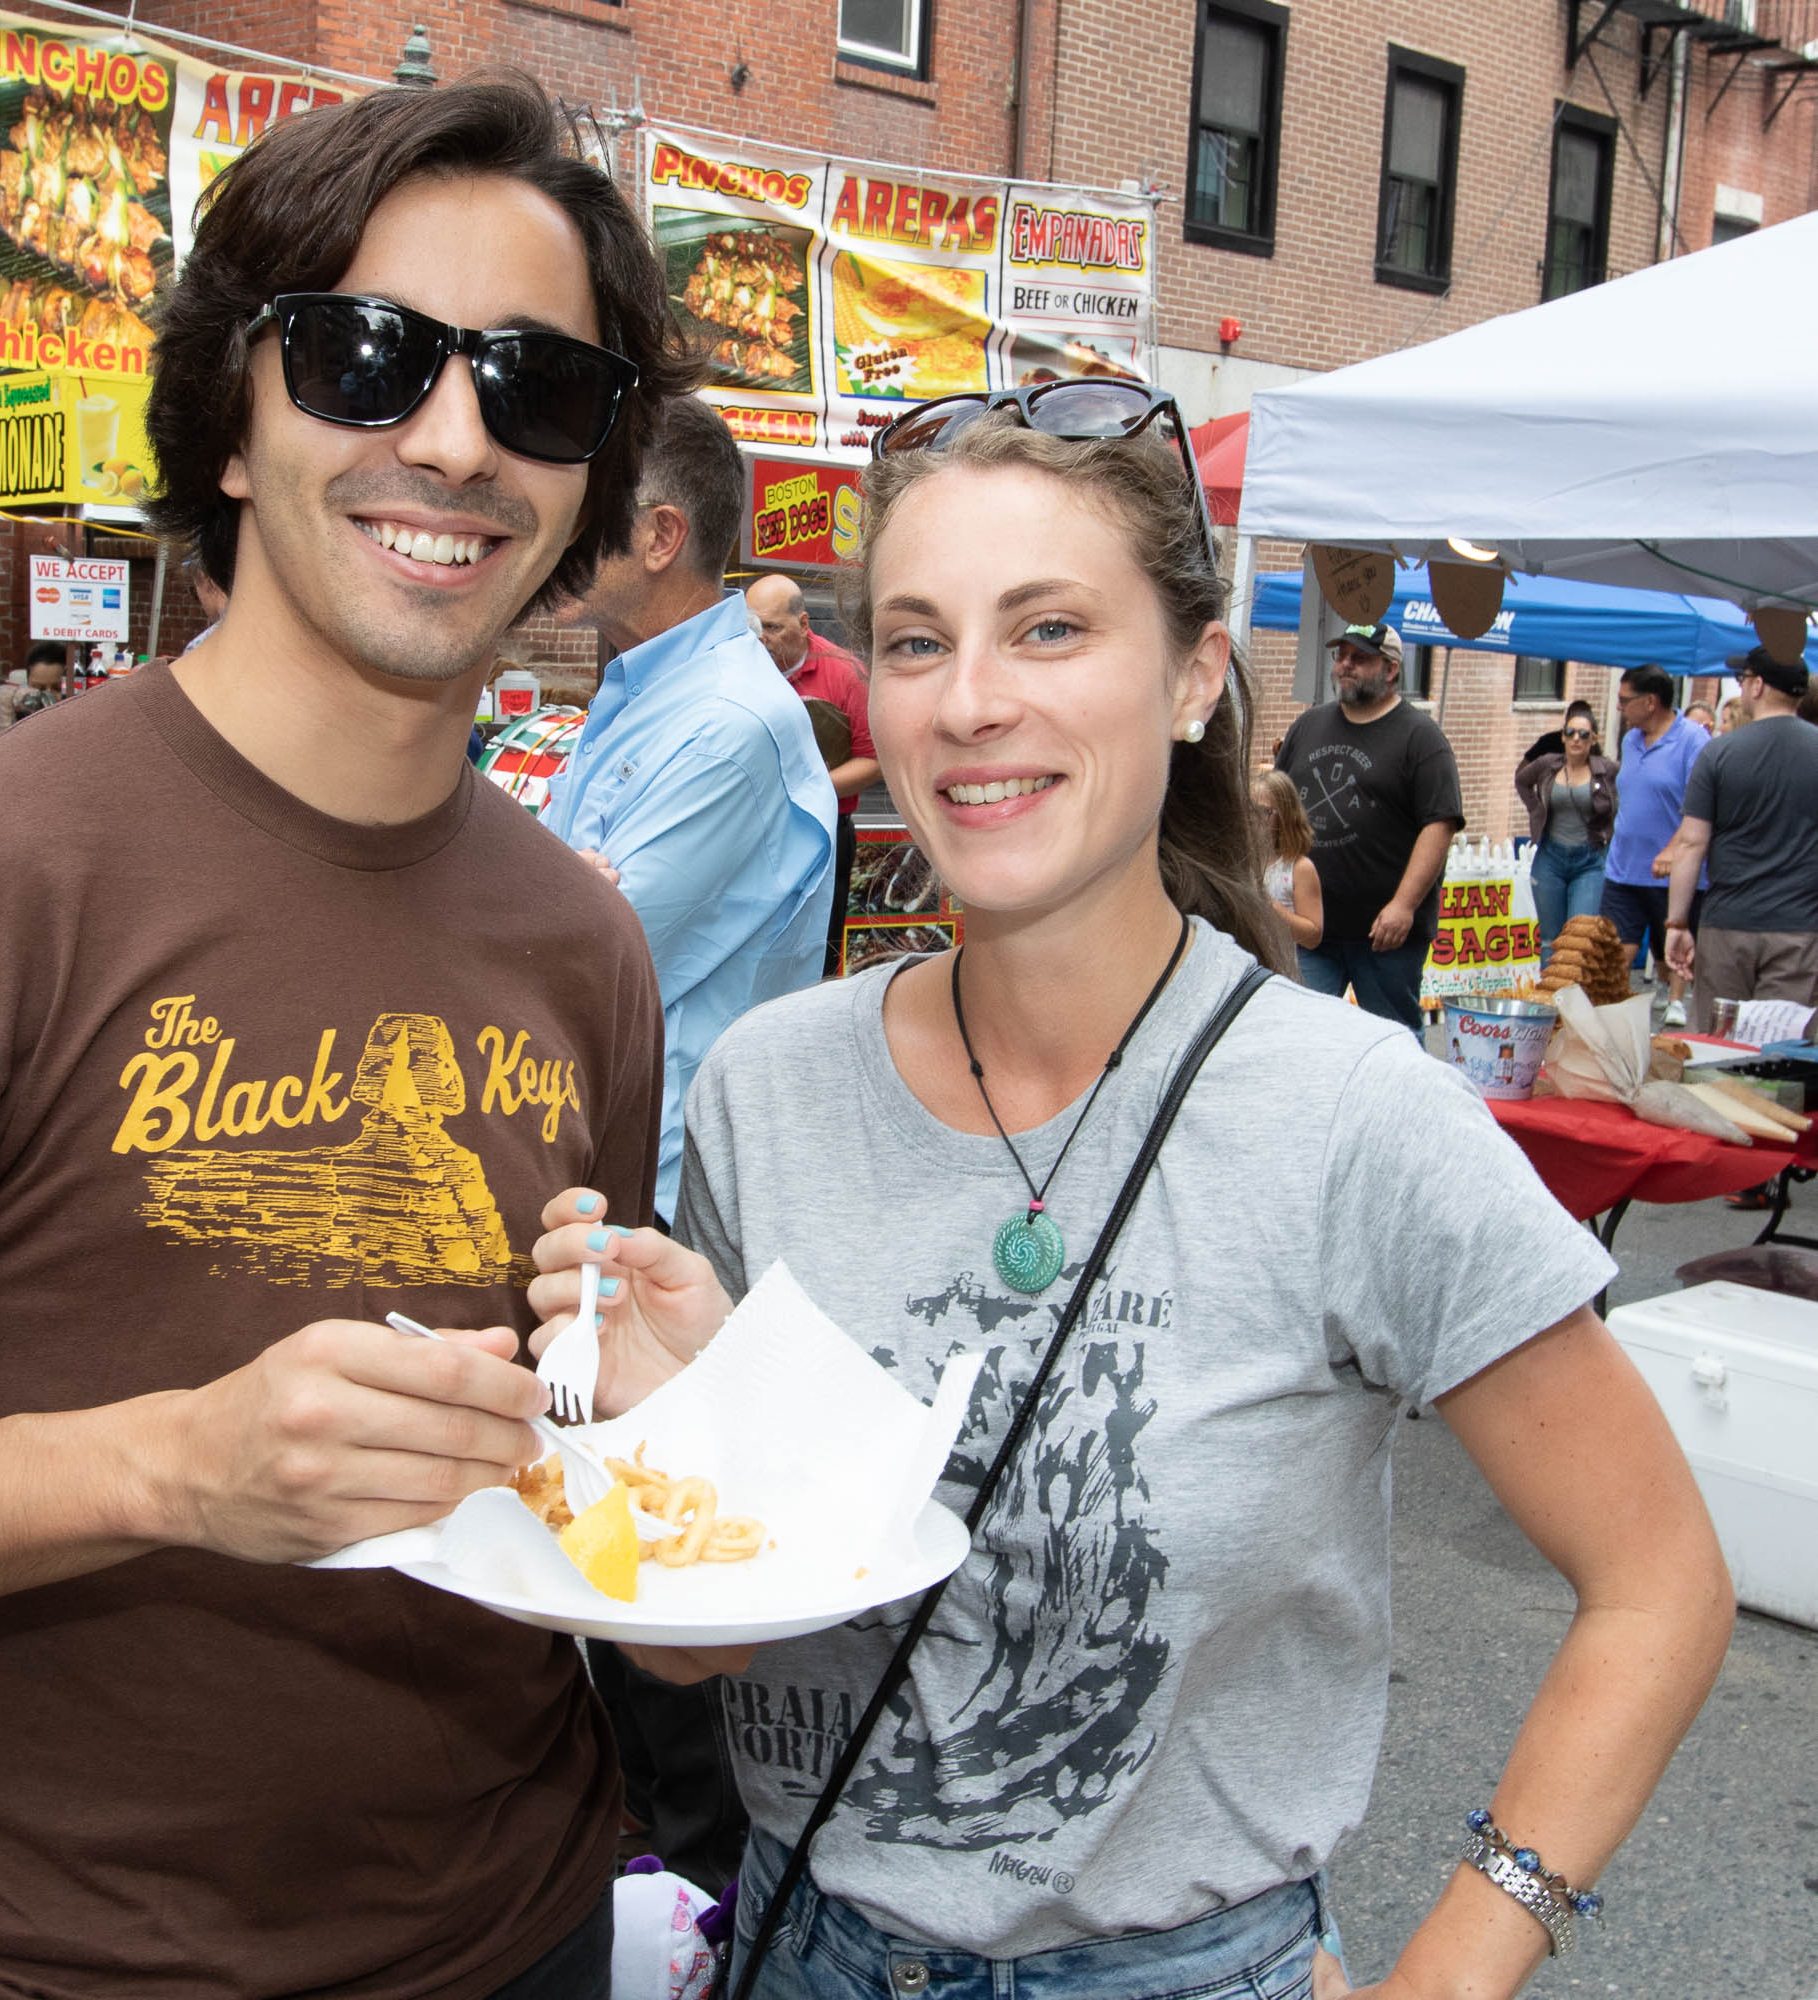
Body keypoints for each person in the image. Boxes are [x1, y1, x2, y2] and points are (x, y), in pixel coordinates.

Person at [0, 77, 692, 2000]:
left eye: (537, 389)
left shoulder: (578, 938)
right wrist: (168, 1468)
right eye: (366, 357)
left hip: (520, 1932)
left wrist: (666, 1428)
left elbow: (568, 1468)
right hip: (81, 1964)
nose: (451, 440)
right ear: (233, 423)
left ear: (592, 477)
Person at [519, 384, 1731, 2000]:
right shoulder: (765, 1092)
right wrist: (635, 1454)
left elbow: (1657, 1583)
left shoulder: (1353, 1120)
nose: (967, 705)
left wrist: (1452, 1965)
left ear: (1189, 677)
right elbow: (700, 1645)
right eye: (912, 640)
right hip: (807, 1944)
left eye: (1045, 632)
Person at [546, 400, 834, 1228]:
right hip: (608, 1152)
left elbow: (576, 966)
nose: (555, 532)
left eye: (585, 508)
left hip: (659, 1189)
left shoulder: (724, 726)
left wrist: (536, 888)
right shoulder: (648, 687)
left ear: (659, 537)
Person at [1273, 621, 1462, 1033]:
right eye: (1341, 656)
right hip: (1312, 929)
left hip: (1384, 935)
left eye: (1359, 658)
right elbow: (1279, 802)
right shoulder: (1309, 726)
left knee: (1389, 1040)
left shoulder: (1422, 738)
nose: (1344, 666)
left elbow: (1439, 825)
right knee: (1302, 1034)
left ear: (1391, 669)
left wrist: (1404, 906)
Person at [1664, 647, 1818, 1020]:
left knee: (1716, 1051)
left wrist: (1677, 923)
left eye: (1743, 679)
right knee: (1780, 1057)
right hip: (1799, 930)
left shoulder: (1718, 754)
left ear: (1758, 685)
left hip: (1727, 925)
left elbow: (1691, 843)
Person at [747, 574, 878, 975]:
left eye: (773, 627)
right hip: (752, 829)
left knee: (816, 949)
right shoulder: (740, 667)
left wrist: (802, 791)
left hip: (823, 832)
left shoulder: (845, 674)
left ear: (804, 624)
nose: (762, 638)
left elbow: (873, 761)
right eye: (754, 628)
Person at [1599, 664, 1707, 998]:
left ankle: (1674, 1003)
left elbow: (1700, 806)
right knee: (1615, 951)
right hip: (1624, 869)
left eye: (1624, 699)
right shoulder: (1631, 740)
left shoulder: (1693, 739)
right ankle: (1608, 1013)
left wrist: (1674, 849)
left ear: (1650, 702)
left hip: (1672, 875)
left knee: (1669, 953)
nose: (1619, 707)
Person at [1513, 707, 1618, 961]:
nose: (1576, 739)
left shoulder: (1607, 770)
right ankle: (1549, 998)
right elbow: (1522, 780)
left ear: (1593, 739)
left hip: (1590, 860)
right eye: (1570, 732)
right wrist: (1536, 809)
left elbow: (1627, 794)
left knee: (1579, 939)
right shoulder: (1548, 764)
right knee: (1550, 939)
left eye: (1583, 734)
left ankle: (1574, 999)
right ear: (1562, 736)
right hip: (1550, 858)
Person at [1250, 767, 1323, 953]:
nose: (1252, 818)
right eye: (1248, 809)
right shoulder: (1240, 862)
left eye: (1263, 811)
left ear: (1285, 815)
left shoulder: (1299, 868)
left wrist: (1268, 905)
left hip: (1279, 968)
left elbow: (1313, 936)